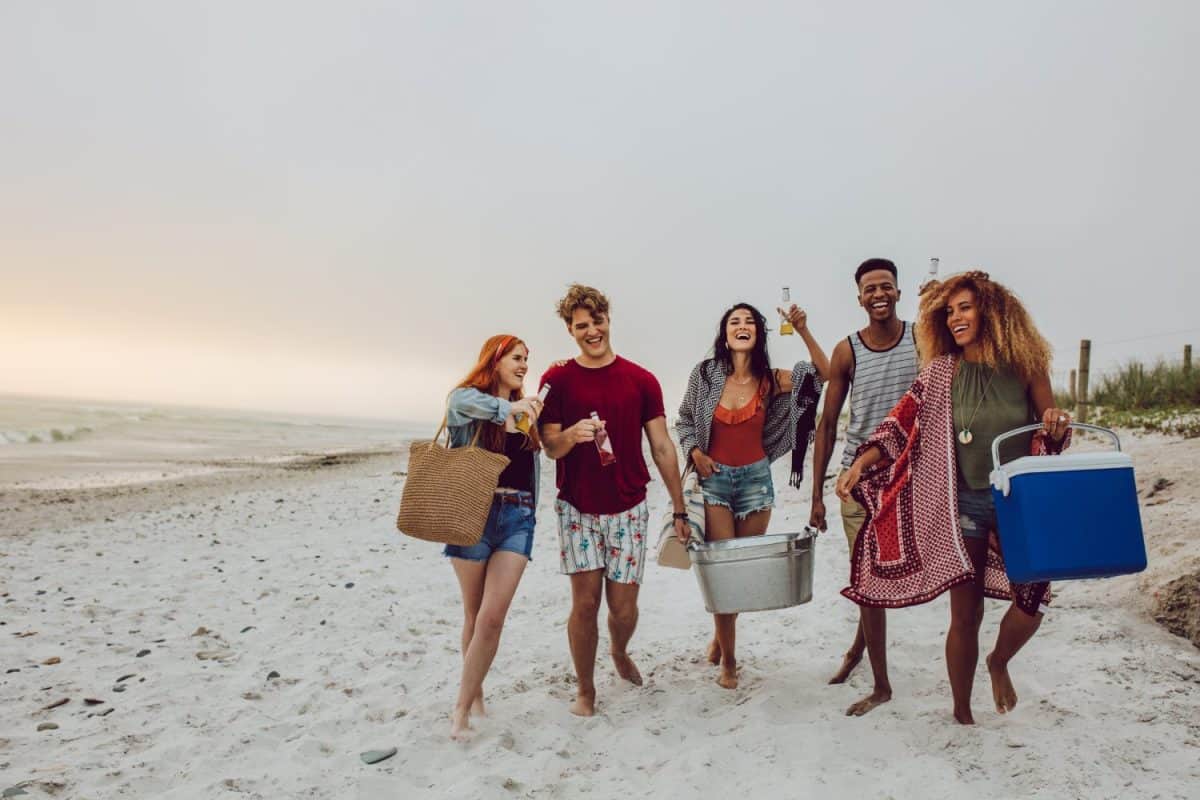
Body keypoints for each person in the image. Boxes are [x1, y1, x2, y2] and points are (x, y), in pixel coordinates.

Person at [836, 270, 1072, 725]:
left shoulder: (1024, 365)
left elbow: (1049, 427)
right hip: (961, 505)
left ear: (992, 310)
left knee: (1034, 599)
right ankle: (962, 713)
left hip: (1015, 500)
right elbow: (898, 424)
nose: (956, 317)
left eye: (965, 307)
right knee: (966, 614)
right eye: (949, 311)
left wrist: (1057, 424)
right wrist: (860, 465)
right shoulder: (940, 371)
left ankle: (999, 661)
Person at [538, 284, 689, 717]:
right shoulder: (558, 379)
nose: (592, 331)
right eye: (581, 326)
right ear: (570, 330)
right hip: (577, 508)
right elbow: (549, 444)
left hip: (629, 507)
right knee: (584, 604)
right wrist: (570, 435)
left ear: (608, 319)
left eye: (597, 321)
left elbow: (662, 446)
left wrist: (678, 508)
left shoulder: (641, 379)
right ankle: (585, 691)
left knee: (623, 609)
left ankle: (620, 651)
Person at [676, 301, 827, 689]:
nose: (741, 326)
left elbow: (823, 375)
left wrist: (803, 328)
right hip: (715, 481)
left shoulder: (772, 379)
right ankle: (729, 661)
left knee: (739, 578)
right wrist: (695, 452)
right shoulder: (705, 375)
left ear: (758, 333)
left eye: (749, 322)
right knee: (724, 576)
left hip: (757, 482)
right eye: (733, 322)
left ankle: (719, 637)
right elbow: (685, 420)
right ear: (724, 334)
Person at [809, 258, 919, 716]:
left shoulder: (921, 337)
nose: (878, 294)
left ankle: (857, 650)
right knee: (869, 579)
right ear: (859, 297)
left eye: (886, 286)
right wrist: (816, 494)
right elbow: (829, 423)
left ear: (898, 292)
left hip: (912, 475)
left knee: (884, 577)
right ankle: (881, 685)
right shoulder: (847, 351)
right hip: (858, 479)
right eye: (869, 288)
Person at [442, 334, 545, 741]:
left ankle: (461, 709)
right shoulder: (470, 400)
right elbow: (457, 404)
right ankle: (475, 692)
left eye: (527, 360)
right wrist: (510, 407)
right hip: (473, 512)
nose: (523, 365)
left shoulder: (524, 411)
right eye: (517, 358)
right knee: (473, 614)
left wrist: (528, 415)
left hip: (518, 515)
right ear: (496, 359)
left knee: (492, 617)